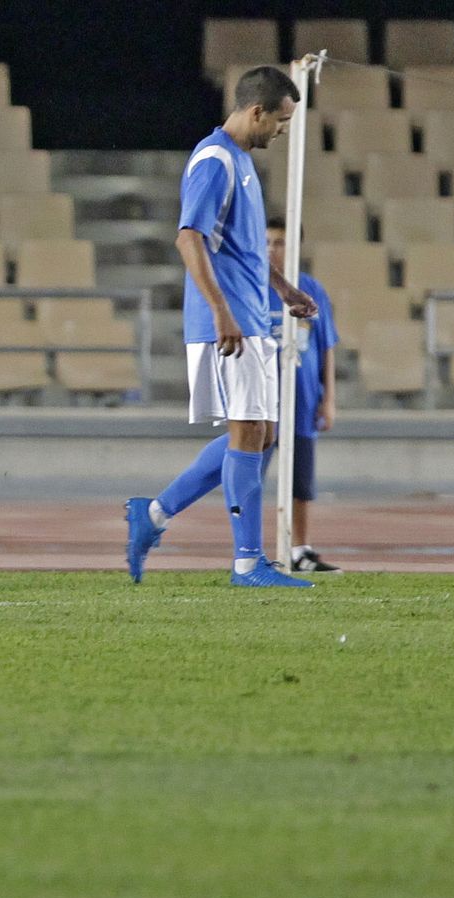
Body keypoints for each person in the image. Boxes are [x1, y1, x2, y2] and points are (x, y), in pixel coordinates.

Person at [125, 67, 320, 588]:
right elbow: (188, 237)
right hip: (230, 321)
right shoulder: (214, 160)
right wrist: (220, 311)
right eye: (280, 121)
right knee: (250, 431)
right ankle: (247, 562)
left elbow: (243, 247)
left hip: (251, 314)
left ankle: (153, 514)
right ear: (256, 112)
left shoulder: (242, 162)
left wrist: (283, 288)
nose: (282, 131)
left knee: (262, 435)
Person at [264, 217, 340, 573]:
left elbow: (327, 347)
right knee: (250, 476)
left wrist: (329, 399)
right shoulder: (254, 286)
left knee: (301, 482)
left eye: (279, 242)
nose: (272, 250)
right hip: (263, 401)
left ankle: (300, 549)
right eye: (266, 242)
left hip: (303, 399)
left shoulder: (311, 288)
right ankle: (249, 548)